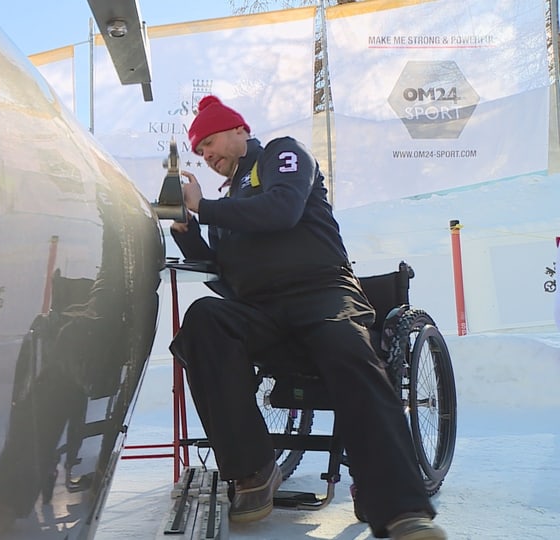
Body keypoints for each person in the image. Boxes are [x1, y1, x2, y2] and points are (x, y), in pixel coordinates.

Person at [167, 95, 445, 539]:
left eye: (210, 141)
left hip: (323, 294)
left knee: (347, 348)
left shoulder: (282, 154)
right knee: (205, 319)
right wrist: (188, 231)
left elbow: (282, 211)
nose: (207, 155)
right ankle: (254, 470)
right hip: (263, 313)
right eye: (200, 152)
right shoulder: (224, 205)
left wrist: (205, 208)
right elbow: (225, 277)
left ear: (240, 130)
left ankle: (400, 510)